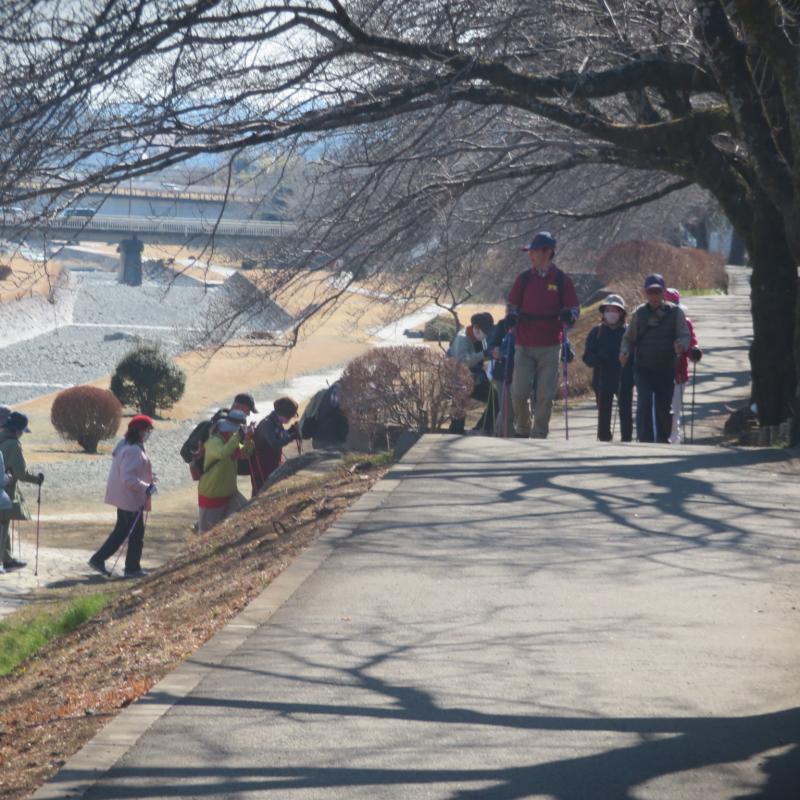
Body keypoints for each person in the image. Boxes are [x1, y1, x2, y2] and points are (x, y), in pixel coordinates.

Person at [507, 231, 580, 438]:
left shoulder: (561, 280)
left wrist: (569, 315)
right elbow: (512, 305)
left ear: (548, 252)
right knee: (519, 392)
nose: (531, 255)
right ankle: (522, 428)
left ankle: (539, 432)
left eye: (535, 251)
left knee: (545, 395)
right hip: (524, 342)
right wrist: (511, 317)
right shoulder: (523, 279)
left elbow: (574, 308)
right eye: (530, 251)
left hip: (550, 344)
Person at [620, 274, 690, 443]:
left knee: (664, 406)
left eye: (658, 291)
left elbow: (684, 335)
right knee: (644, 402)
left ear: (663, 292)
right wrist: (624, 351)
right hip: (643, 368)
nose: (654, 295)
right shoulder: (639, 313)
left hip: (666, 368)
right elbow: (628, 338)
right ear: (645, 293)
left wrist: (681, 344)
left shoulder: (675, 313)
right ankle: (645, 440)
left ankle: (662, 439)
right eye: (651, 292)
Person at [89, 415, 156, 578]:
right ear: (140, 431)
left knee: (122, 532)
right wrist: (147, 488)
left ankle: (99, 559)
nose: (149, 434)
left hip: (125, 498)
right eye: (148, 430)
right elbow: (128, 478)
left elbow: (135, 472)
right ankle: (131, 568)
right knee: (135, 534)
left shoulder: (127, 446)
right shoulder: (133, 450)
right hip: (130, 499)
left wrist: (150, 478)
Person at [582, 294, 633, 442]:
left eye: (615, 310)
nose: (611, 313)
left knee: (626, 413)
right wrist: (598, 360)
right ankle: (604, 441)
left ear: (621, 313)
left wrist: (628, 362)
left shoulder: (628, 332)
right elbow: (587, 356)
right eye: (608, 310)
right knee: (603, 413)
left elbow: (636, 354)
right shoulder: (596, 332)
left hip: (624, 378)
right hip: (602, 378)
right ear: (603, 312)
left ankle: (627, 441)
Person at [180, 392, 258, 484]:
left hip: (209, 481)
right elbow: (242, 454)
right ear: (239, 407)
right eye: (248, 410)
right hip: (218, 482)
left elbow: (185, 452)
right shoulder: (234, 431)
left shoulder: (208, 425)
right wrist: (248, 437)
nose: (248, 414)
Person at [197, 409, 255, 533]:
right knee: (206, 532)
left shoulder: (232, 441)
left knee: (247, 514)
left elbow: (247, 452)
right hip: (212, 494)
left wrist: (248, 438)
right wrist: (239, 436)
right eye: (236, 430)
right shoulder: (214, 441)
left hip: (230, 492)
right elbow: (223, 453)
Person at [0, 412, 43, 574]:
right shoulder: (13, 445)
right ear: (17, 430)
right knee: (2, 525)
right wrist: (37, 479)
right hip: (3, 492)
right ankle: (6, 561)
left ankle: (8, 560)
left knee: (3, 526)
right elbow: (20, 473)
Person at [664, 288, 703, 443]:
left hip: (678, 375)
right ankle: (656, 437)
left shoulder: (685, 323)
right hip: (656, 373)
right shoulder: (653, 321)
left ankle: (673, 440)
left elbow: (692, 344)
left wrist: (694, 352)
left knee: (674, 412)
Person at [447, 312, 493, 434]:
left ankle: (482, 428)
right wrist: (483, 354)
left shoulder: (480, 339)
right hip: (459, 383)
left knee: (495, 396)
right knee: (458, 415)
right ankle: (455, 433)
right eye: (484, 331)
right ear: (476, 328)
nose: (486, 334)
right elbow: (462, 362)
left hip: (475, 380)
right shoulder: (461, 339)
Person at [251, 397, 300, 494]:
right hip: (262, 468)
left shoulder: (276, 422)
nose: (290, 419)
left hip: (272, 465)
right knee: (260, 494)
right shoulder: (267, 424)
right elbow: (275, 444)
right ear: (282, 414)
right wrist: (294, 436)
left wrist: (291, 430)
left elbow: (281, 435)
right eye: (289, 417)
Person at [487, 316, 516, 437]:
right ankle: (504, 437)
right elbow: (491, 345)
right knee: (506, 410)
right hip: (503, 373)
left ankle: (503, 434)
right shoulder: (504, 324)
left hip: (524, 372)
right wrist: (495, 350)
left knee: (516, 409)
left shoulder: (532, 323)